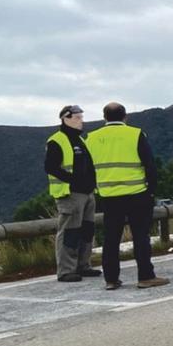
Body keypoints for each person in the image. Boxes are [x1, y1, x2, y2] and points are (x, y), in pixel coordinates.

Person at [86, 102, 169, 290]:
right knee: (140, 235)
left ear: (104, 117)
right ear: (125, 117)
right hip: (137, 193)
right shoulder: (136, 134)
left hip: (108, 195)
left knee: (111, 238)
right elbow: (150, 164)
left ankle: (111, 279)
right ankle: (146, 276)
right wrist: (151, 189)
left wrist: (98, 189)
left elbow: (87, 168)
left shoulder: (91, 138)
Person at [45, 105, 101, 282]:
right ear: (65, 118)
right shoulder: (57, 140)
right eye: (77, 118)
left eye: (81, 117)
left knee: (86, 231)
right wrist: (72, 180)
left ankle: (83, 265)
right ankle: (66, 270)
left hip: (87, 193)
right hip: (70, 193)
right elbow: (50, 167)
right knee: (69, 232)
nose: (81, 121)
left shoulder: (80, 140)